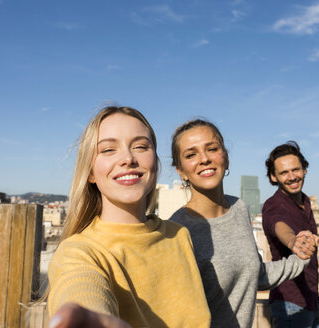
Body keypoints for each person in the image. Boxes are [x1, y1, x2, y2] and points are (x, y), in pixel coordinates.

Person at [47, 106, 211, 328]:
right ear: (91, 172)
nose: (127, 158)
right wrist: (91, 318)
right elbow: (80, 287)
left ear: (155, 161)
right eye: (107, 150)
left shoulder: (179, 235)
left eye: (141, 146)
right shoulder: (77, 252)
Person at [169, 119, 317, 328]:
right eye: (191, 154)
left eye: (212, 149)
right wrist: (292, 241)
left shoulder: (238, 207)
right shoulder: (176, 231)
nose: (204, 159)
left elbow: (255, 275)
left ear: (226, 158)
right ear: (181, 171)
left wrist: (300, 258)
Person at [262, 141, 319, 328]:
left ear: (304, 170)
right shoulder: (274, 205)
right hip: (290, 303)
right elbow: (278, 225)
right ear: (273, 177)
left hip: (312, 299)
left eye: (295, 170)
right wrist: (292, 241)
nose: (292, 177)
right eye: (283, 172)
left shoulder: (305, 201)